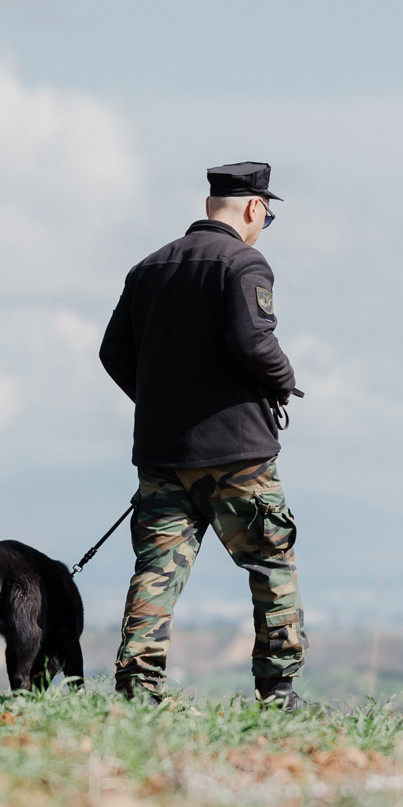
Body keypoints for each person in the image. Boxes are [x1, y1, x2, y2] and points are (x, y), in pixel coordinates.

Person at [98, 161, 305, 706]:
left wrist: (164, 403)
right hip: (241, 457)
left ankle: (138, 691)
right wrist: (286, 381)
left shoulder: (148, 268)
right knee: (271, 561)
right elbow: (254, 344)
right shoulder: (245, 263)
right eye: (268, 215)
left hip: (165, 455)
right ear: (255, 208)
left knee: (156, 572)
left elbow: (113, 353)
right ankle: (278, 692)